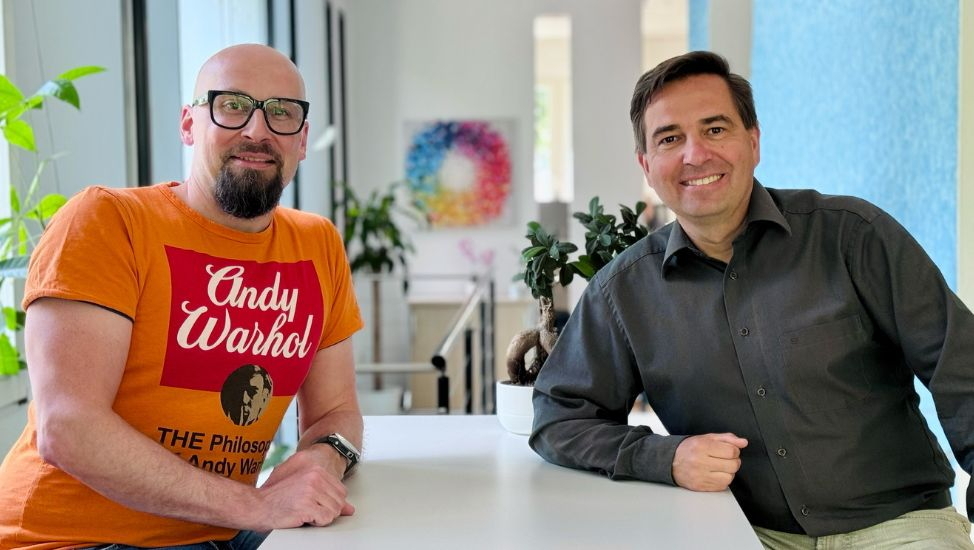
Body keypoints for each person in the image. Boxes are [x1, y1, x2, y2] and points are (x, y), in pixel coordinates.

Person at [529, 50, 974, 548]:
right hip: (741, 532)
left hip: (899, 526)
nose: (695, 154)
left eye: (715, 129)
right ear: (647, 166)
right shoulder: (623, 290)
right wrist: (664, 458)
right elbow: (559, 416)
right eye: (670, 138)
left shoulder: (853, 237)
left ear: (753, 142)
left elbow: (961, 365)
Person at [0, 44, 365, 549]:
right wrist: (255, 504)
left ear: (302, 140)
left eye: (282, 113)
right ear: (189, 124)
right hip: (69, 538)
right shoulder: (108, 221)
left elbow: (337, 412)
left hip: (222, 532)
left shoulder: (316, 244)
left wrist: (321, 462)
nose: (257, 131)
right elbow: (68, 427)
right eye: (233, 104)